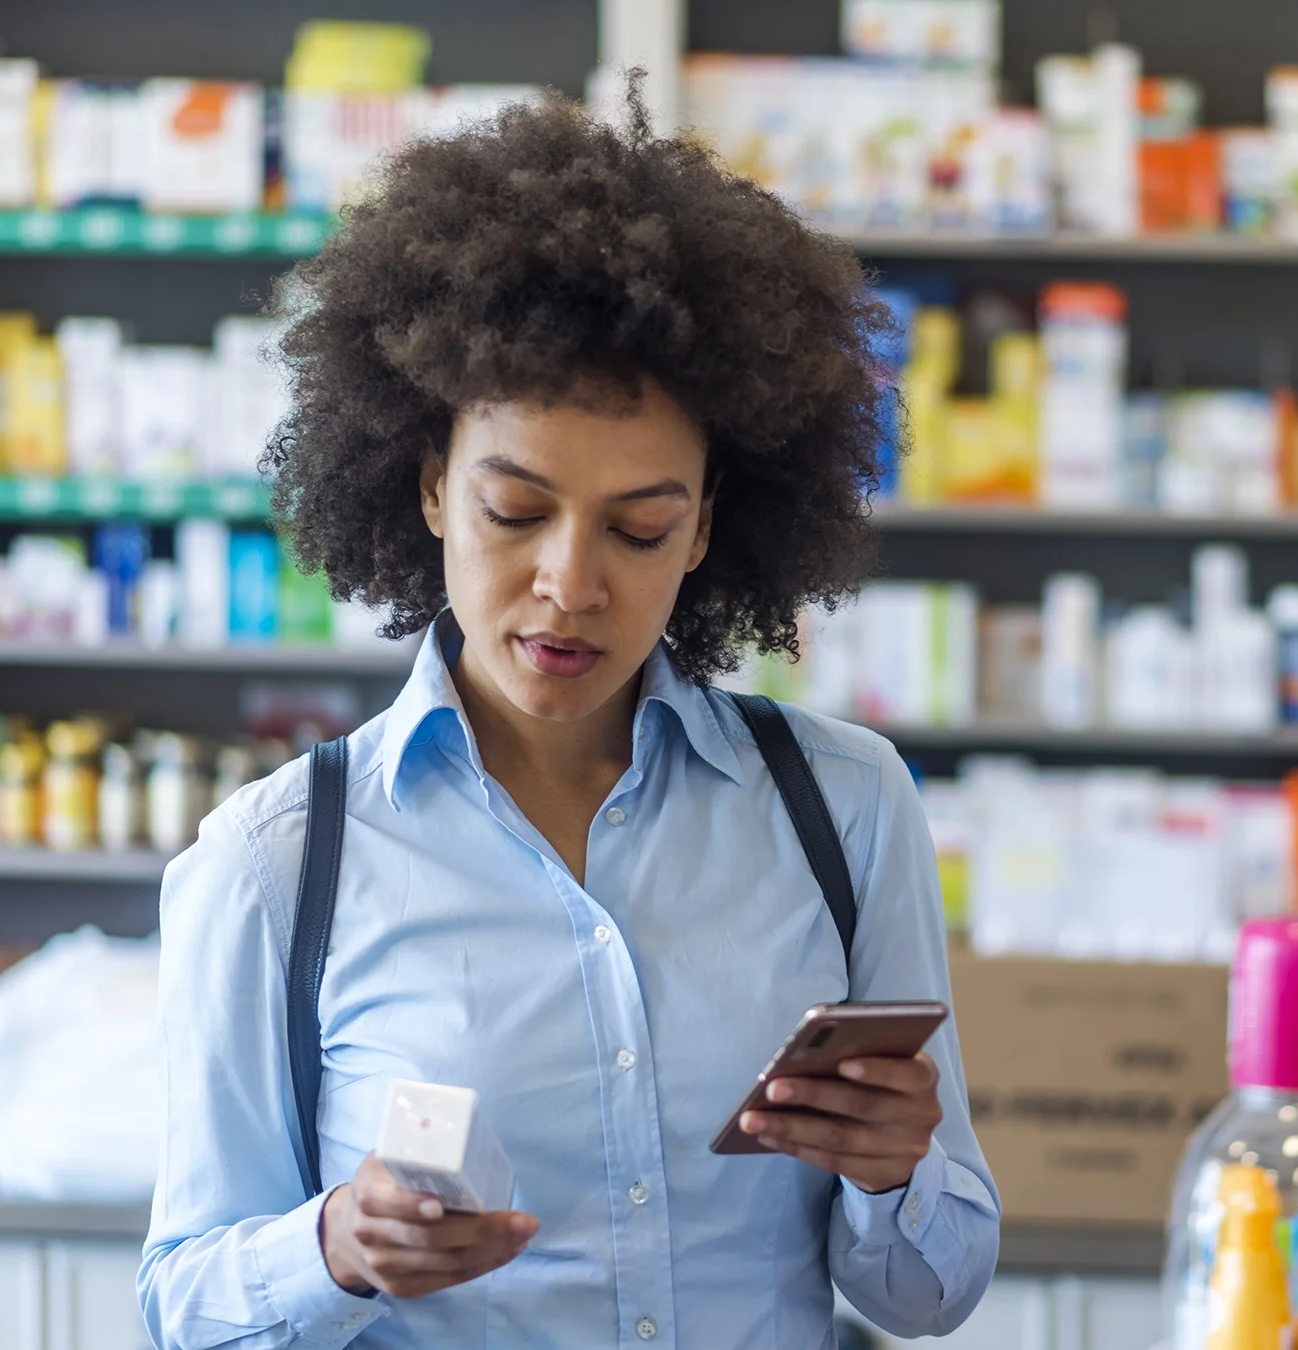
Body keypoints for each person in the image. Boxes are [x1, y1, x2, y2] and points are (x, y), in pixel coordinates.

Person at [138, 97, 999, 1348]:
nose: (571, 582)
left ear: (708, 528)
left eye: (642, 528)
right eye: (514, 510)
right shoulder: (277, 865)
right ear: (431, 485)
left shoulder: (843, 806)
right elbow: (181, 1303)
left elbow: (934, 1291)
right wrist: (335, 1248)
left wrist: (890, 1174)